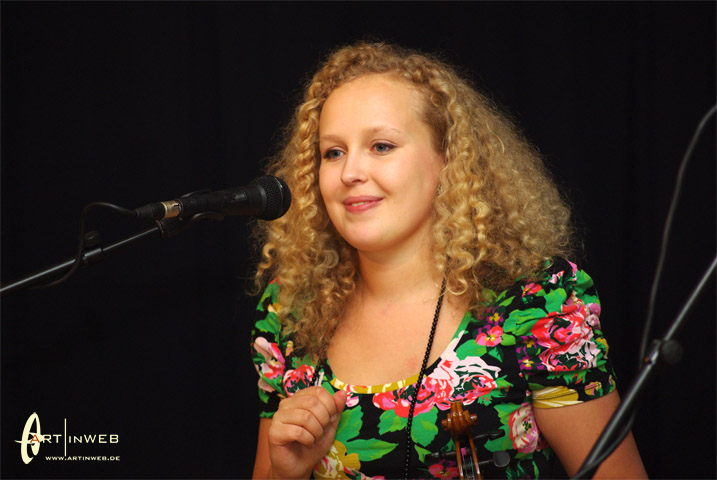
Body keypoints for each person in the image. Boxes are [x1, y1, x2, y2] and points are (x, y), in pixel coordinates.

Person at [249, 42, 647, 479]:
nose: (349, 173)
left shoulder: (535, 305)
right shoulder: (289, 312)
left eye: (381, 146)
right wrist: (284, 474)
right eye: (333, 153)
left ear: (447, 160)